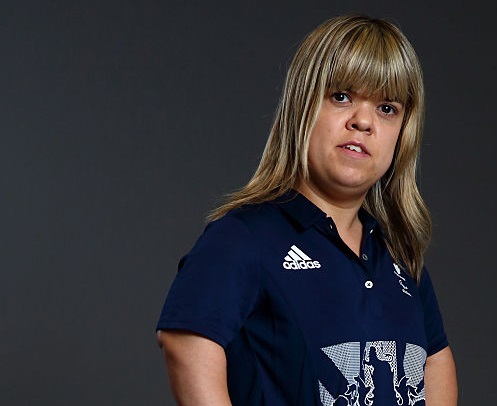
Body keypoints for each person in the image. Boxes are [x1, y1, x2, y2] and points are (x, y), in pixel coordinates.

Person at [156, 15, 457, 405]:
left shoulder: (398, 257)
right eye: (342, 96)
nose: (363, 121)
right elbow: (185, 341)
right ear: (302, 107)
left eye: (386, 108)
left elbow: (435, 359)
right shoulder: (245, 237)